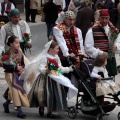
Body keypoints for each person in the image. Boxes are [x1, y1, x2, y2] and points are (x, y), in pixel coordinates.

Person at [20, 40, 78, 118]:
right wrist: (46, 70)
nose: (58, 50)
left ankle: (50, 111)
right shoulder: (45, 58)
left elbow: (59, 68)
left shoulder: (56, 57)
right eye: (57, 49)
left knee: (53, 95)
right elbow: (41, 68)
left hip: (55, 79)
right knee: (43, 93)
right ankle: (42, 106)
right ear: (51, 49)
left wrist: (69, 69)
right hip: (45, 79)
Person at [85, 9, 120, 77]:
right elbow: (88, 47)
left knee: (111, 80)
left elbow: (119, 41)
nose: (104, 20)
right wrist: (101, 53)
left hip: (110, 60)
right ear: (99, 18)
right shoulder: (92, 30)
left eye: (106, 18)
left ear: (109, 18)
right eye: (102, 18)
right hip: (99, 61)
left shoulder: (114, 29)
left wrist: (116, 46)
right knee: (101, 81)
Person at [2, 35, 29, 118]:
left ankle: (6, 103)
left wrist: (22, 69)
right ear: (11, 44)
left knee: (13, 90)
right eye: (16, 43)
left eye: (19, 43)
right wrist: (15, 68)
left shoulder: (20, 52)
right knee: (15, 88)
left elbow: (23, 63)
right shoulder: (7, 54)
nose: (18, 44)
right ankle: (19, 110)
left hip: (18, 73)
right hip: (10, 73)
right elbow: (5, 66)